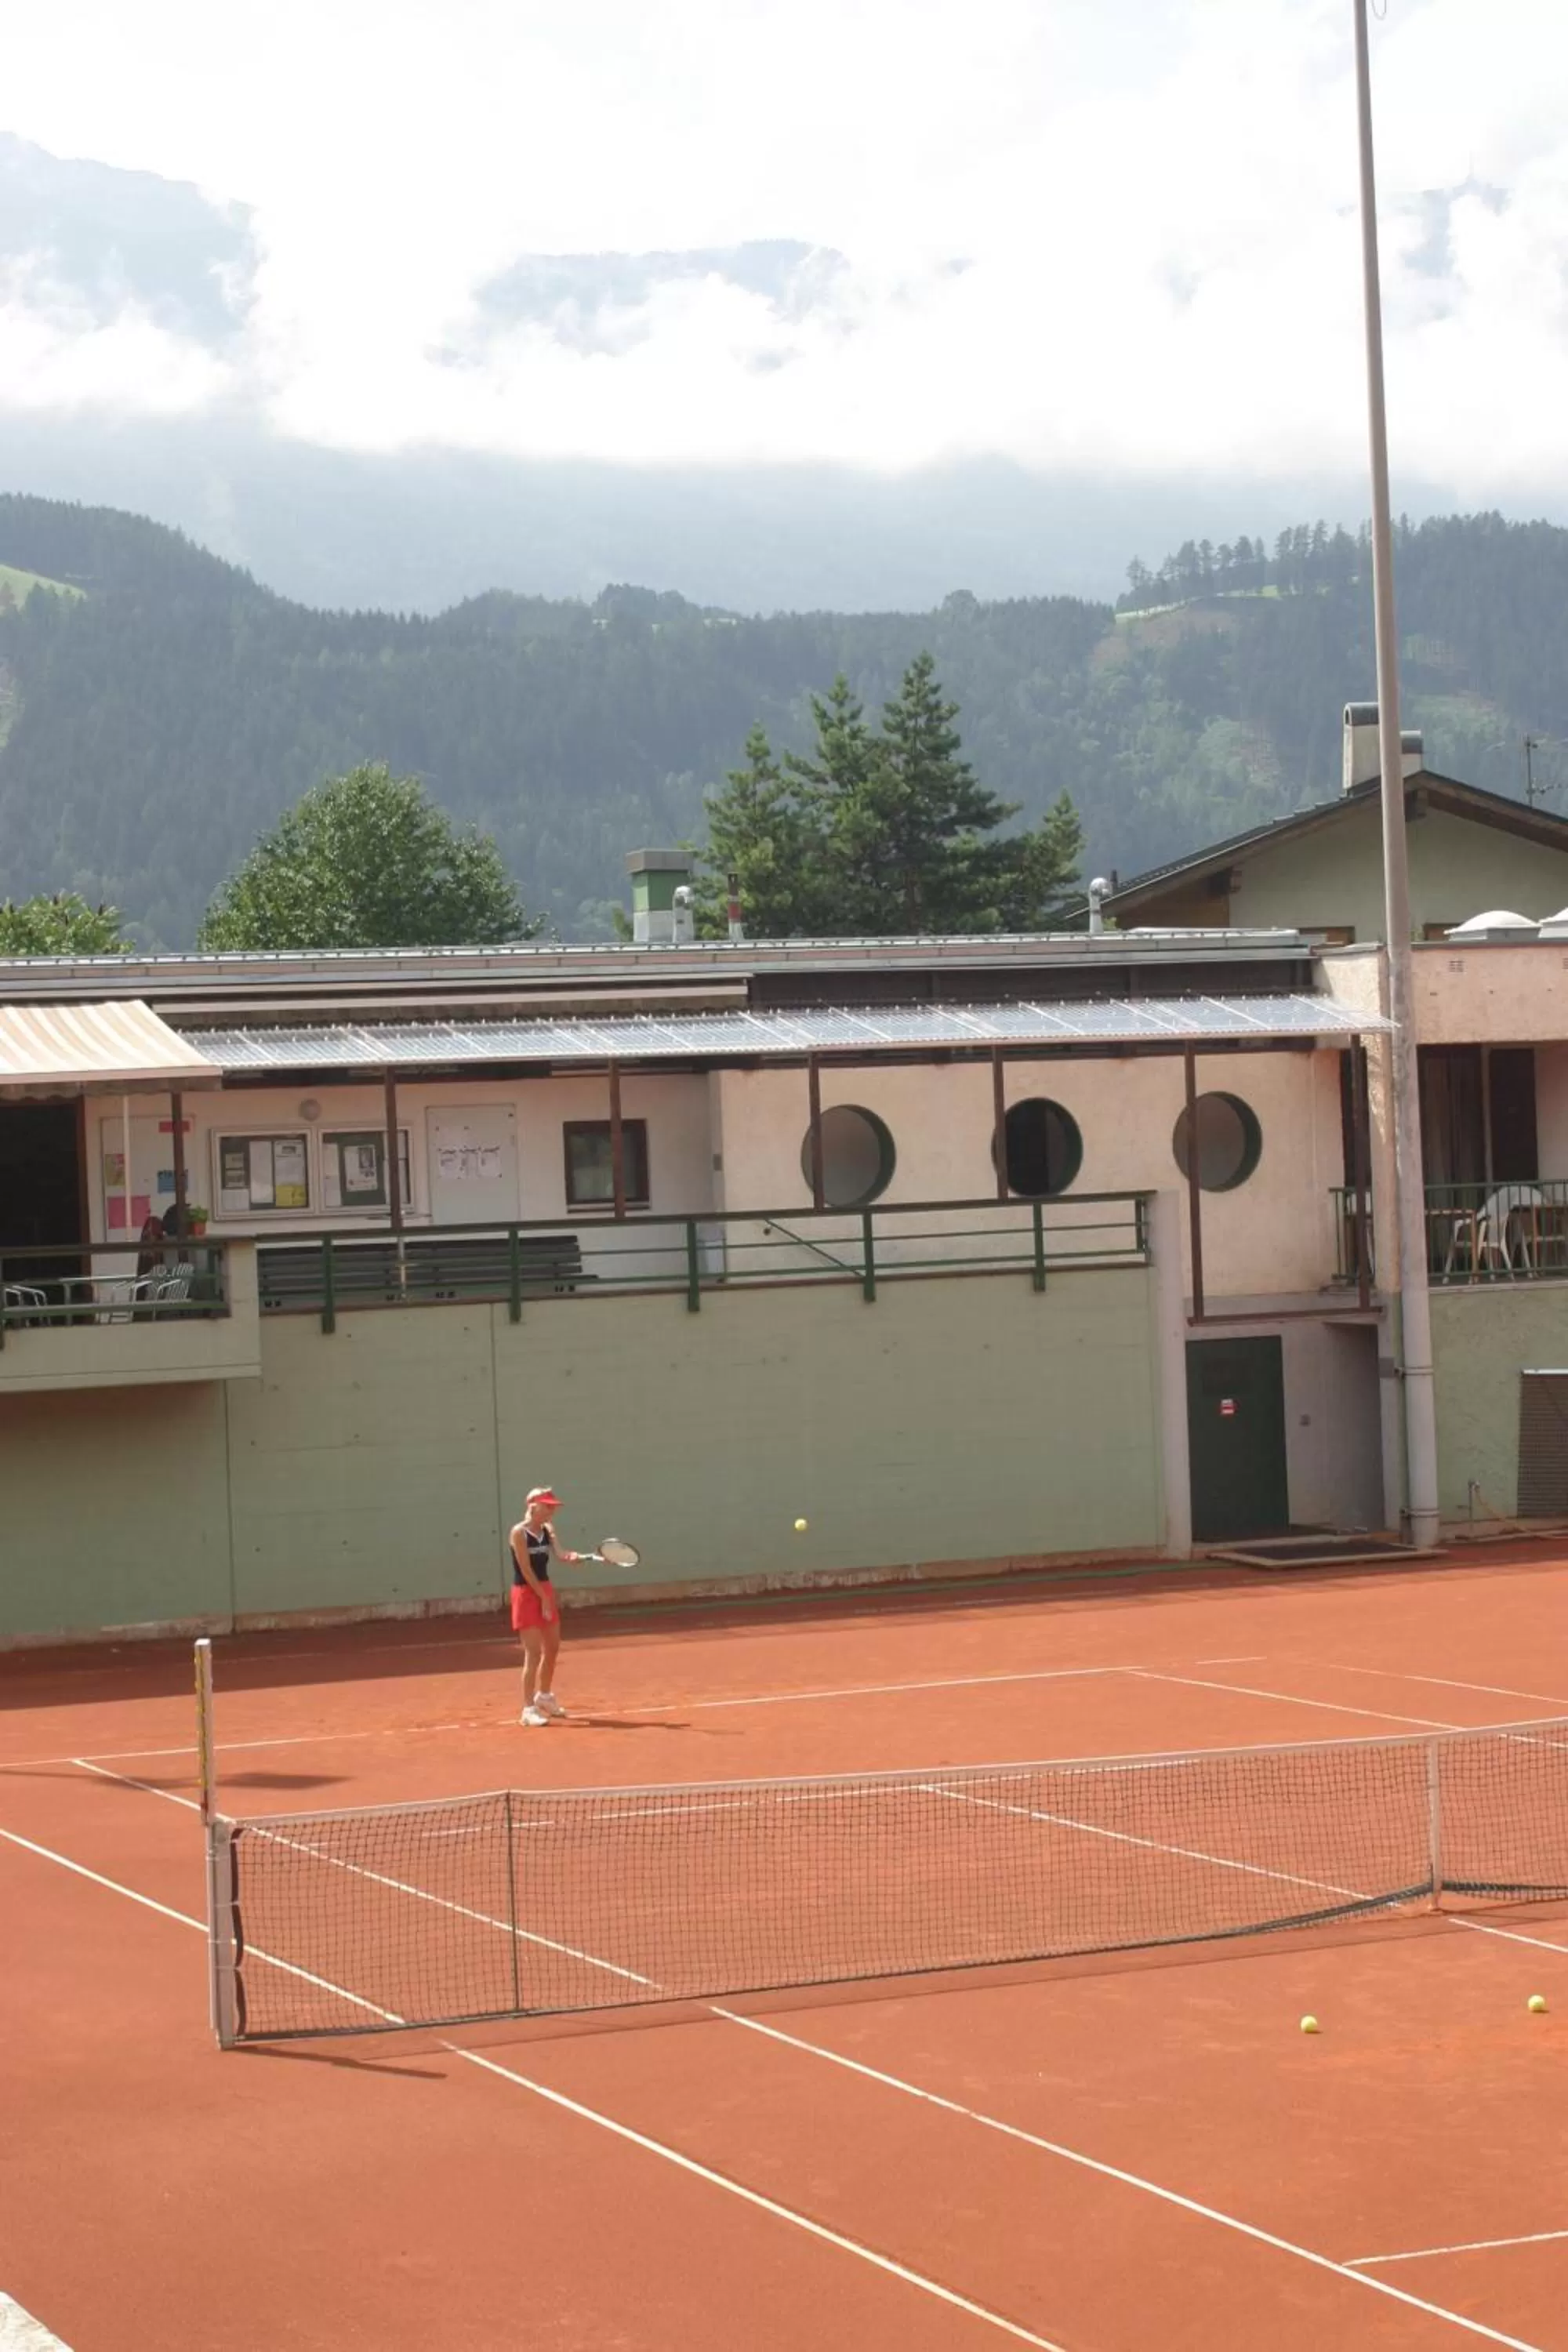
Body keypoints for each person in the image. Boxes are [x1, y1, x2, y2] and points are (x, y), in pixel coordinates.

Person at [509, 1486, 583, 1726]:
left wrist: (571, 1557)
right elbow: (526, 1570)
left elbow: (560, 1553)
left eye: (553, 1507)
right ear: (533, 1505)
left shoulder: (548, 1530)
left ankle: (545, 1697)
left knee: (552, 1648)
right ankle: (528, 1709)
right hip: (526, 1593)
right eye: (548, 1506)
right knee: (533, 1652)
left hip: (544, 1590)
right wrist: (541, 1597)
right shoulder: (518, 1533)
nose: (552, 1510)